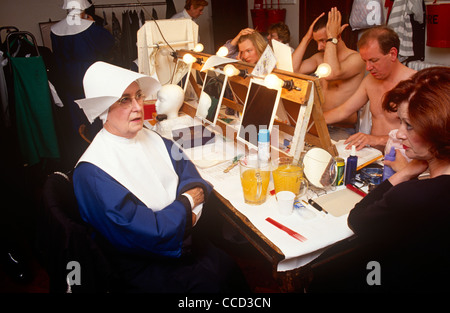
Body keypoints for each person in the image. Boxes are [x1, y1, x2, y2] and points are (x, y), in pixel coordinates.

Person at [73, 62, 247, 293]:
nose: (138, 107)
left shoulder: (148, 134)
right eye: (125, 99)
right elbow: (144, 232)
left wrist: (189, 214)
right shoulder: (92, 173)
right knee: (211, 285)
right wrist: (187, 205)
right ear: (104, 109)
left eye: (139, 96)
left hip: (181, 235)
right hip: (145, 262)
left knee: (230, 270)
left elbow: (187, 170)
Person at [348, 67, 450, 291]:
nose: (400, 133)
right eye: (401, 122)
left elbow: (357, 220)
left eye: (410, 125)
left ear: (440, 130)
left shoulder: (413, 195)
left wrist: (404, 173)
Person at [323, 26, 416, 150]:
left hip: (402, 157)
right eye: (365, 61)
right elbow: (343, 111)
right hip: (374, 156)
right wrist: (309, 120)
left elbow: (421, 135)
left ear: (392, 54)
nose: (368, 67)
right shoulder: (370, 81)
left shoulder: (415, 84)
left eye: (373, 60)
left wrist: (376, 139)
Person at [51, 0, 114, 166]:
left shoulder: (55, 30)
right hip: (90, 77)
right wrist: (91, 22)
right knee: (95, 118)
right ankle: (101, 158)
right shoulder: (90, 27)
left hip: (68, 80)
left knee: (76, 120)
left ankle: (82, 158)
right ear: (84, 7)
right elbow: (109, 44)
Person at [292, 8, 366, 140]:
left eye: (323, 41)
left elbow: (332, 73)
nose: (319, 47)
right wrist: (306, 38)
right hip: (318, 124)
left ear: (338, 35)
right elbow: (292, 70)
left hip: (342, 129)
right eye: (316, 42)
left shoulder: (356, 59)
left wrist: (332, 37)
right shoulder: (319, 57)